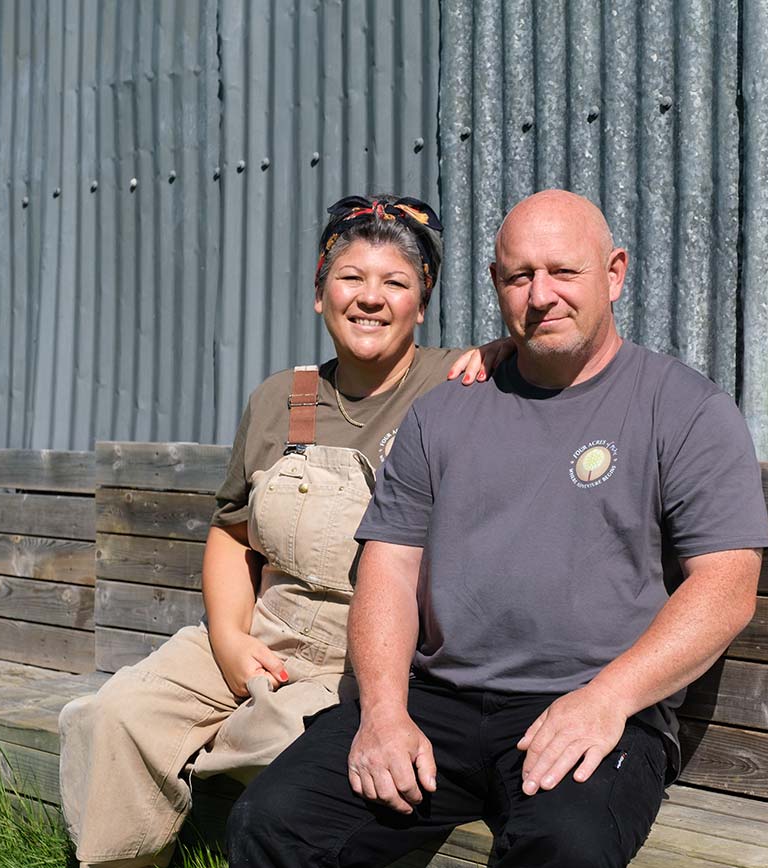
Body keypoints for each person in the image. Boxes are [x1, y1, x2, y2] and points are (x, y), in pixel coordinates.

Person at [225, 189, 768, 868]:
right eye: (520, 276)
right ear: (496, 284)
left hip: (593, 705)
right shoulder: (445, 413)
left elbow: (725, 586)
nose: (541, 295)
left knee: (561, 851)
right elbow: (388, 568)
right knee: (274, 821)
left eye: (563, 272)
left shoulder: (686, 409)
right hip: (437, 701)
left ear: (614, 273)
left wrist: (607, 700)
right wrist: (383, 713)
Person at [58, 194, 509, 868]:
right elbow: (234, 533)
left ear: (423, 301)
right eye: (351, 278)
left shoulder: (456, 385)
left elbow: (555, 353)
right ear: (319, 295)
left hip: (369, 662)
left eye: (396, 283)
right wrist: (230, 640)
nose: (371, 299)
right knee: (111, 716)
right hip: (265, 634)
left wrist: (504, 351)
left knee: (289, 747)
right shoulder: (286, 398)